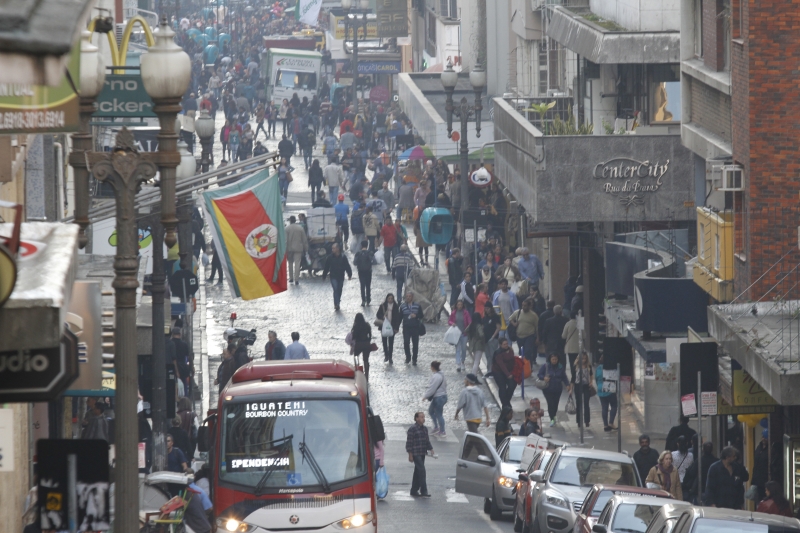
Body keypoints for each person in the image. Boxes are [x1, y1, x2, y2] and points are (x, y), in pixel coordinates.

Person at [536, 353, 571, 427]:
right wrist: (544, 378)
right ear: (550, 360)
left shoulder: (560, 367)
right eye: (553, 359)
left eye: (556, 359)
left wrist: (567, 384)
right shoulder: (545, 366)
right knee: (550, 403)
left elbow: (564, 377)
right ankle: (552, 418)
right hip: (547, 389)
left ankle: (554, 415)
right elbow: (539, 374)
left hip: (557, 389)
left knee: (555, 404)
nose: (554, 361)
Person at [406, 412, 433, 498]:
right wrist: (410, 454)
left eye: (424, 417)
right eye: (421, 417)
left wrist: (431, 449)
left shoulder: (424, 429)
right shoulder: (412, 429)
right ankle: (424, 491)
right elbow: (409, 443)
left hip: (422, 452)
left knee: (417, 472)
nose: (423, 418)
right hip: (415, 453)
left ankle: (414, 490)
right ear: (416, 418)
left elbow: (427, 440)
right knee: (422, 471)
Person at [322, 243, 353, 311]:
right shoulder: (330, 257)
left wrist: (349, 274)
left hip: (341, 276)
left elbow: (347, 266)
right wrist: (324, 275)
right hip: (333, 276)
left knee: (339, 289)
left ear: (338, 249)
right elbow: (326, 267)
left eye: (334, 248)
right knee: (335, 289)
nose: (332, 250)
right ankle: (337, 304)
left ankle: (337, 300)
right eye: (332, 248)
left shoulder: (343, 257)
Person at [509, 298, 539, 364]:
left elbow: (537, 327)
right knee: (521, 352)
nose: (523, 307)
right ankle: (522, 367)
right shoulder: (518, 312)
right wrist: (514, 324)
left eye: (525, 305)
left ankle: (529, 366)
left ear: (529, 306)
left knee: (528, 351)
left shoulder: (533, 315)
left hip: (529, 336)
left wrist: (537, 338)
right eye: (522, 305)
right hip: (519, 336)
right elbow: (510, 318)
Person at [423, 361, 448, 436]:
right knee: (431, 411)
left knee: (439, 414)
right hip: (442, 396)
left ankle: (442, 430)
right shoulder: (442, 375)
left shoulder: (436, 377)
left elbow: (432, 388)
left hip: (438, 398)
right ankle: (436, 427)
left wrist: (426, 396)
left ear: (433, 367)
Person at [376, 293, 402, 364]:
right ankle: (386, 355)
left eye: (391, 298)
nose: (390, 300)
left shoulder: (396, 306)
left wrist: (396, 327)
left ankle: (390, 357)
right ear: (387, 299)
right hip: (384, 326)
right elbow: (378, 314)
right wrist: (383, 317)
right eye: (389, 298)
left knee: (391, 342)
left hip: (392, 326)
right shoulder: (383, 306)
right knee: (384, 342)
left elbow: (397, 318)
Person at [492, 338, 517, 409]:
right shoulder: (498, 353)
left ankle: (506, 401)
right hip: (498, 371)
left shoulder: (510, 350)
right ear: (500, 345)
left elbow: (512, 360)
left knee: (512, 385)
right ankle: (505, 404)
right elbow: (501, 364)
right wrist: (508, 374)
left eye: (507, 344)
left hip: (509, 371)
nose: (506, 345)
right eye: (504, 344)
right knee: (502, 387)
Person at [400, 291, 423, 365]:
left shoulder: (417, 305)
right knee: (406, 342)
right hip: (406, 327)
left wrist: (416, 316)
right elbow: (400, 317)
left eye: (409, 296)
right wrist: (396, 327)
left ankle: (414, 359)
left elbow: (421, 315)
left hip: (415, 327)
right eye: (407, 296)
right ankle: (408, 356)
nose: (408, 298)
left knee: (415, 344)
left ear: (412, 297)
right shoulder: (402, 306)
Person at [595, 354, 617, 431]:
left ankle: (605, 425)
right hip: (609, 388)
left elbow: (596, 378)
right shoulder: (610, 368)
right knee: (614, 405)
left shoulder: (598, 368)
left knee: (604, 407)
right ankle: (611, 422)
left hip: (600, 389)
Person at [572, 352, 593, 427]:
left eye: (585, 358)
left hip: (586, 386)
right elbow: (573, 378)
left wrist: (591, 382)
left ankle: (587, 421)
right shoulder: (575, 366)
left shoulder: (588, 366)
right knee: (578, 404)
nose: (583, 360)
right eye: (582, 358)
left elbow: (591, 375)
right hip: (578, 385)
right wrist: (571, 389)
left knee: (586, 403)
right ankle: (579, 421)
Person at [285, 215, 308, 285]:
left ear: (290, 221)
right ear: (295, 220)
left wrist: (285, 249)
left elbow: (285, 240)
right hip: (298, 248)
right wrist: (306, 249)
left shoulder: (287, 229)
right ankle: (296, 279)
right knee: (297, 263)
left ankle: (291, 278)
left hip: (289, 248)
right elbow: (304, 240)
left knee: (290, 263)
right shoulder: (300, 228)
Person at [351, 313, 373, 378]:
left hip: (358, 344)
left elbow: (353, 336)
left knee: (356, 356)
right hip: (366, 344)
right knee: (366, 360)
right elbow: (370, 335)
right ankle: (366, 374)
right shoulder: (367, 325)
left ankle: (357, 370)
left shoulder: (356, 326)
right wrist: (368, 341)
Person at [353, 240, 374, 306]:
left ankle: (363, 300)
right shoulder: (370, 252)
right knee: (368, 286)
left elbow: (354, 262)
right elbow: (373, 261)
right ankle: (368, 299)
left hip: (361, 271)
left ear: (361, 246)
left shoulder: (358, 253)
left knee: (362, 286)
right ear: (367, 246)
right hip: (368, 271)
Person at [752, 429, 770, 500]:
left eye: (765, 437)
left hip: (765, 479)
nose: (763, 439)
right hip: (757, 480)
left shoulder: (770, 449)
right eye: (763, 437)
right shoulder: (759, 447)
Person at [482, 306, 502, 371]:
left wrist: (493, 336)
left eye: (488, 308)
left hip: (493, 339)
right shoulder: (485, 318)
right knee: (488, 355)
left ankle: (493, 370)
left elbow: (498, 327)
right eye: (485, 308)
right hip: (486, 339)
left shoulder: (495, 317)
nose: (486, 310)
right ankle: (489, 369)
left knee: (493, 355)